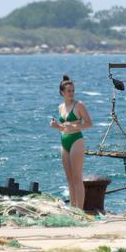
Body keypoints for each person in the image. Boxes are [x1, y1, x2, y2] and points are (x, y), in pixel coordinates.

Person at [49, 74, 92, 208]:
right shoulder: (60, 107)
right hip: (64, 141)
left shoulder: (79, 105)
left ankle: (80, 210)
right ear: (62, 92)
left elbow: (89, 124)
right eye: (68, 91)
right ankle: (73, 208)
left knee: (77, 178)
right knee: (69, 179)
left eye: (73, 90)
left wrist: (75, 126)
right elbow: (64, 128)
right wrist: (57, 127)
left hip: (76, 141)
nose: (71, 93)